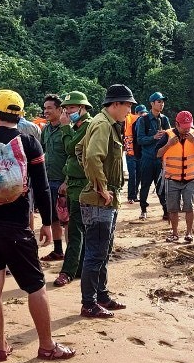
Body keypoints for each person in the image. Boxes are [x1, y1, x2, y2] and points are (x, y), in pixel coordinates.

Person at [0, 89, 75, 362]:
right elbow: (43, 187)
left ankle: (1, 346)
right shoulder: (29, 143)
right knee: (35, 287)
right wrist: (47, 223)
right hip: (16, 226)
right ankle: (46, 346)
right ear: (20, 115)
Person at [79, 83, 133, 318]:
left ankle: (102, 296)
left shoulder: (106, 124)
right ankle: (88, 303)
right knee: (95, 252)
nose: (129, 111)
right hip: (99, 199)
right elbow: (91, 155)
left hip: (106, 198)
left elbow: (81, 149)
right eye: (127, 106)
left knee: (104, 250)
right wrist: (99, 185)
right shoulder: (102, 124)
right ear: (115, 104)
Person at [53, 92, 92, 288]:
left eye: (72, 108)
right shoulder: (77, 126)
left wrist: (65, 127)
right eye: (66, 108)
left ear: (83, 108)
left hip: (84, 185)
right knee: (80, 228)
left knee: (76, 229)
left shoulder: (87, 127)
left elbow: (70, 148)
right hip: (74, 182)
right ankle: (79, 267)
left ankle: (67, 271)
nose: (68, 112)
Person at [156, 110, 194, 243]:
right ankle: (174, 233)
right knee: (172, 208)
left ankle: (189, 233)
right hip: (172, 178)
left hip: (190, 179)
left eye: (188, 127)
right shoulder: (167, 135)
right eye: (183, 127)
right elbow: (157, 154)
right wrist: (168, 145)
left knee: (189, 207)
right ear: (176, 124)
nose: (186, 130)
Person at [136, 92, 170, 220]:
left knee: (161, 185)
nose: (161, 104)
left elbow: (171, 136)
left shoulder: (165, 119)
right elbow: (140, 139)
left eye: (162, 102)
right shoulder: (143, 120)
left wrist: (166, 135)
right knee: (145, 184)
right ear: (152, 104)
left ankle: (166, 210)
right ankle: (143, 209)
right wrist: (153, 137)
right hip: (147, 158)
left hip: (160, 159)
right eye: (159, 101)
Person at [41, 93, 67, 262]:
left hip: (64, 182)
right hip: (48, 180)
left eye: (49, 108)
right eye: (44, 108)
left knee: (67, 220)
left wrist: (67, 181)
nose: (46, 111)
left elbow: (74, 156)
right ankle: (58, 250)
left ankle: (72, 254)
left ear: (60, 109)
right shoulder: (45, 129)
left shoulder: (67, 130)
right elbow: (42, 152)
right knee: (54, 218)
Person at [124, 103, 145, 203]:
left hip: (140, 154)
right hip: (130, 153)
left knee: (139, 175)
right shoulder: (130, 120)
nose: (142, 115)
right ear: (135, 113)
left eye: (144, 113)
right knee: (133, 175)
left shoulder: (144, 124)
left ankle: (135, 195)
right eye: (140, 113)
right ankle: (130, 196)